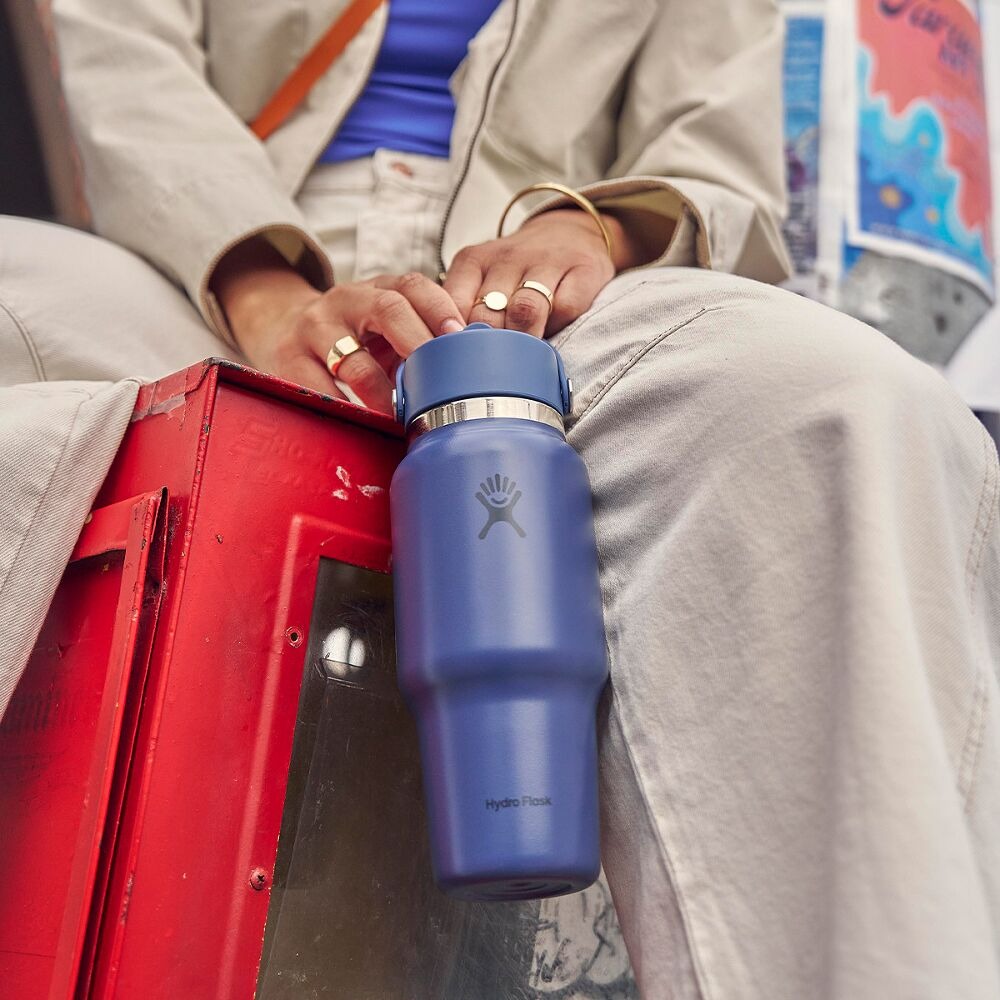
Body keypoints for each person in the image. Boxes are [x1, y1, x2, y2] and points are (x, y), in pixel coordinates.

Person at [1, 0, 998, 996]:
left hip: (542, 284)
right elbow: (123, 59)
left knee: (845, 401)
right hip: (217, 257)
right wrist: (264, 291)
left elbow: (714, 149)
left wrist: (592, 223)